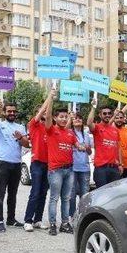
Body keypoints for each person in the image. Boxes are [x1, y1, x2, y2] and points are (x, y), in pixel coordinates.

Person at [0, 99, 30, 233]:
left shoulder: (21, 127)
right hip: (2, 163)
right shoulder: (0, 125)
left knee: (13, 194)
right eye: (9, 111)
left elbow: (26, 144)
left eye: (14, 111)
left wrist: (20, 138)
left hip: (16, 163)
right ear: (5, 113)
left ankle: (11, 219)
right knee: (0, 193)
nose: (12, 113)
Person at [44, 89, 77, 235]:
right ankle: (52, 224)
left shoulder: (70, 132)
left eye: (65, 117)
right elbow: (48, 115)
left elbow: (78, 146)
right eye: (61, 117)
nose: (64, 119)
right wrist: (51, 98)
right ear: (55, 118)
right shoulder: (51, 130)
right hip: (55, 170)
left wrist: (85, 147)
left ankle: (65, 224)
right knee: (54, 198)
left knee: (66, 198)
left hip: (69, 170)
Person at [23, 97, 51, 232]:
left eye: (46, 112)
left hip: (48, 164)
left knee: (43, 192)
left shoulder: (49, 127)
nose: (45, 113)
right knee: (35, 192)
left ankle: (37, 220)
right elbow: (40, 114)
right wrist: (50, 97)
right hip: (37, 163)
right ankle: (28, 220)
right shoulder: (33, 125)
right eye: (42, 111)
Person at [87, 99, 122, 187]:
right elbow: (89, 123)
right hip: (101, 169)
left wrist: (120, 164)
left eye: (109, 113)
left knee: (113, 196)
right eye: (104, 113)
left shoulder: (115, 130)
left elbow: (118, 148)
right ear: (100, 115)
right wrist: (93, 108)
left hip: (114, 168)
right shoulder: (97, 128)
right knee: (101, 196)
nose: (107, 115)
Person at [70, 113, 92, 219]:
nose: (77, 120)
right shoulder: (69, 133)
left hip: (85, 168)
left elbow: (90, 152)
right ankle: (72, 216)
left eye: (79, 118)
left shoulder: (86, 134)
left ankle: (83, 216)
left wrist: (87, 148)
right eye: (75, 118)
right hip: (72, 168)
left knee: (84, 195)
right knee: (71, 194)